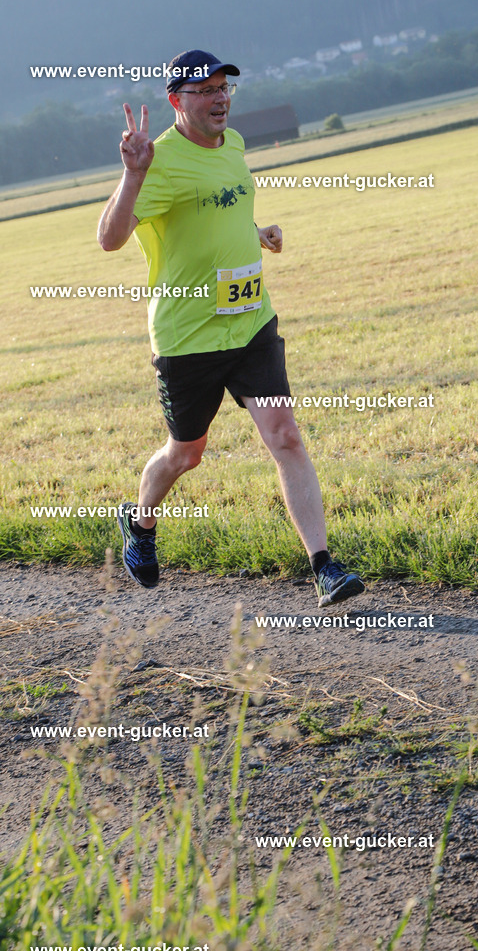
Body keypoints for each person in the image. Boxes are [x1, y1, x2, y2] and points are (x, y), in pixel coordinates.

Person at [97, 49, 364, 611]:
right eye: (205, 90)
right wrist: (132, 174)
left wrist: (253, 230)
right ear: (177, 101)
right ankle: (139, 522)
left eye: (225, 88)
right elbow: (110, 239)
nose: (220, 99)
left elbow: (220, 207)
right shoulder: (158, 161)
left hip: (250, 323)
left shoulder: (235, 145)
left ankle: (325, 568)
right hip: (188, 336)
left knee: (285, 434)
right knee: (186, 453)